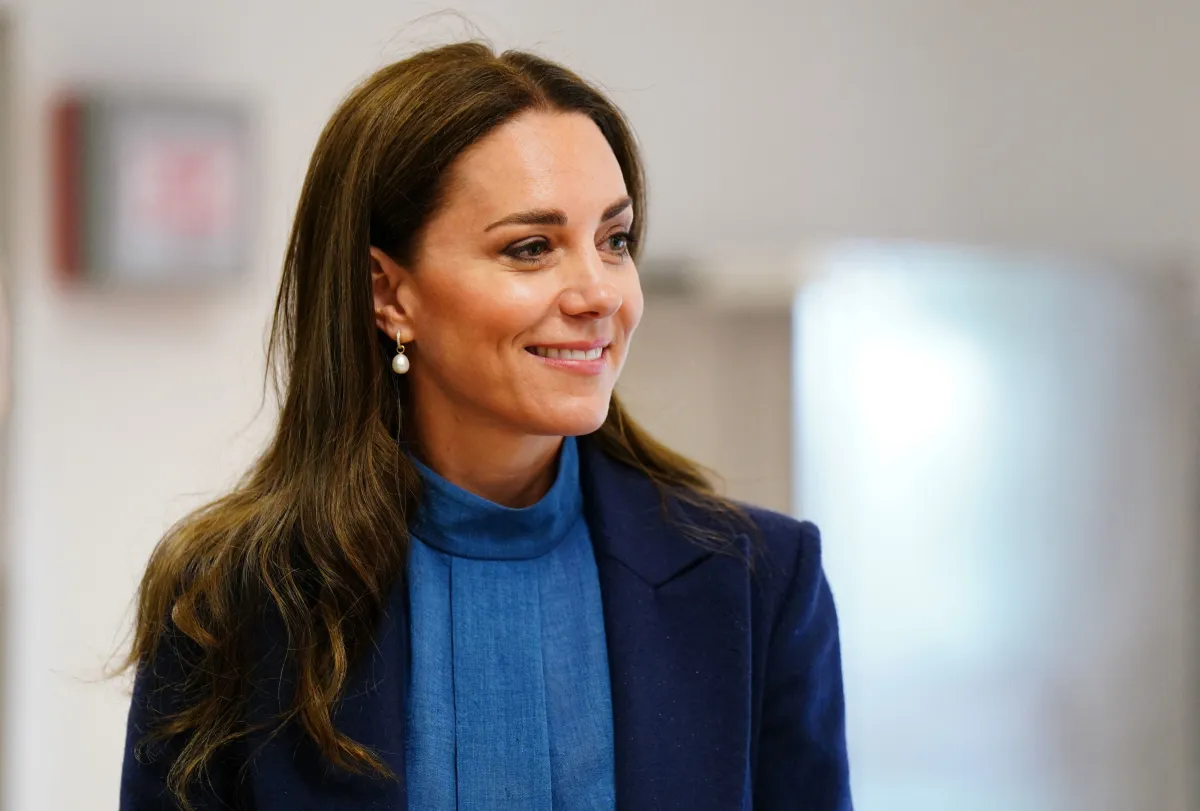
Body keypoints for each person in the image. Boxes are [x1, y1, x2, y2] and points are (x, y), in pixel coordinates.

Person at [118, 42, 852, 811]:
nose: (599, 293)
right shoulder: (230, 602)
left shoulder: (760, 581)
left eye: (614, 241)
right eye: (531, 248)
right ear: (388, 294)